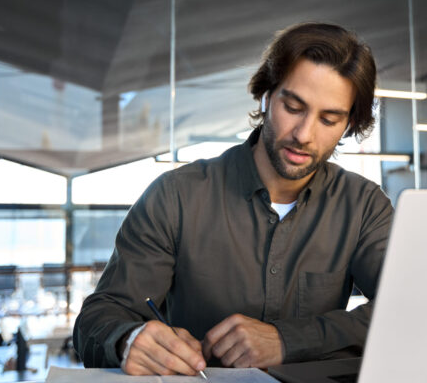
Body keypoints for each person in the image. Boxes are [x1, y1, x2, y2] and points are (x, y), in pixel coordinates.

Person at [73, 22, 393, 376]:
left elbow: (406, 310)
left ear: (348, 125)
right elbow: (99, 317)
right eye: (293, 106)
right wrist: (128, 340)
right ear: (266, 95)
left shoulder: (364, 207)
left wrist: (287, 339)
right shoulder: (176, 195)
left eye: (329, 119)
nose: (304, 135)